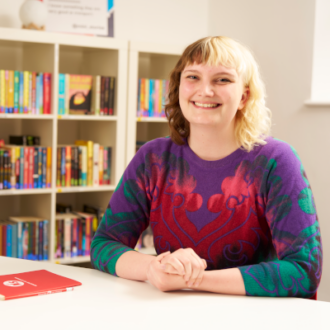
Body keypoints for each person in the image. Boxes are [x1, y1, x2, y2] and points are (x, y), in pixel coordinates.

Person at [91, 36, 322, 298]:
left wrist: (194, 280)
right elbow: (104, 244)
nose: (205, 90)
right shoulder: (152, 158)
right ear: (179, 88)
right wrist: (152, 268)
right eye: (192, 77)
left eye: (222, 79)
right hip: (170, 312)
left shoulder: (277, 160)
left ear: (244, 96)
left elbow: (304, 271)